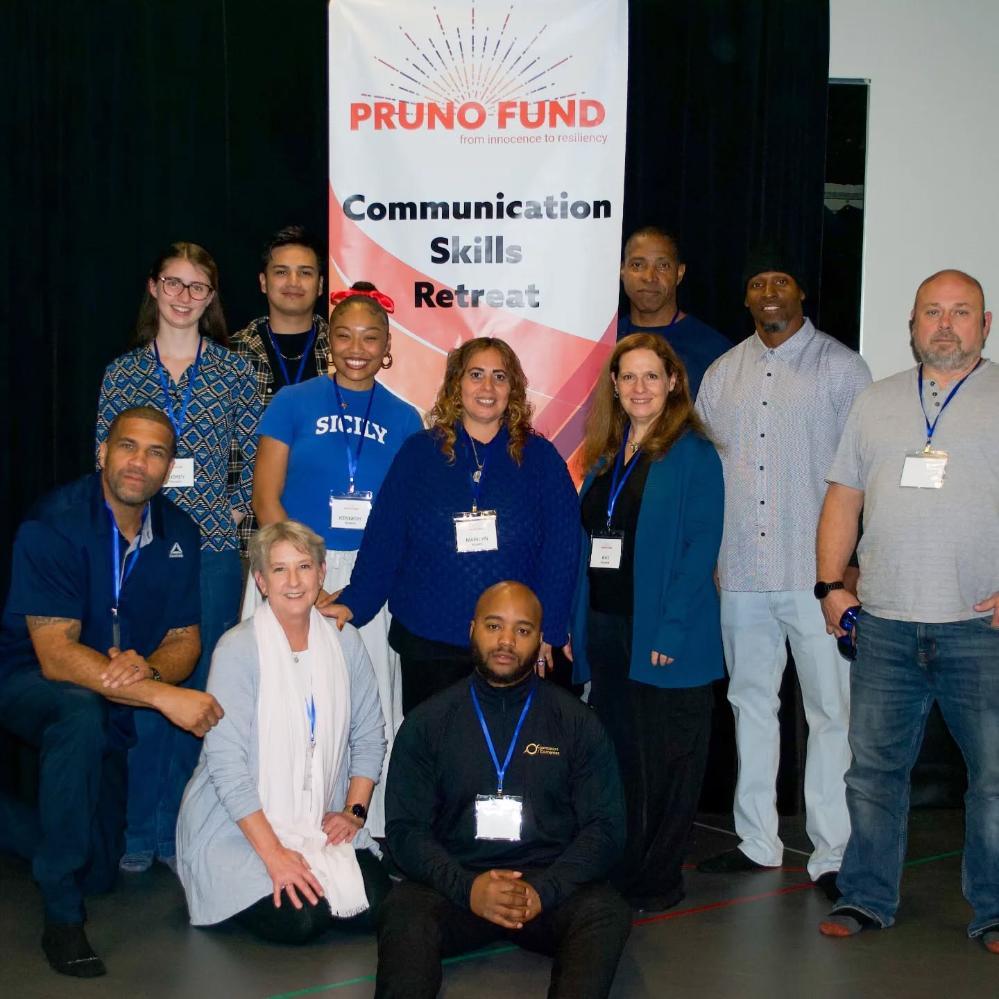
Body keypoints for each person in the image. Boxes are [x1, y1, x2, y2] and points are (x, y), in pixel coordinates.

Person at [0, 407, 224, 977]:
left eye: (155, 453)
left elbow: (184, 640)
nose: (139, 463)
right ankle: (62, 917)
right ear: (103, 452)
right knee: (77, 713)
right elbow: (54, 654)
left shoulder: (180, 533)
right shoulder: (53, 523)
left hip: (114, 688)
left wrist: (146, 670)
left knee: (101, 869)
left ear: (168, 466)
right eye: (129, 447)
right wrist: (159, 695)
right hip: (31, 680)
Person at [816, 269, 999, 952]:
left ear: (984, 324)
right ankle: (865, 896)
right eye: (931, 312)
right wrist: (829, 584)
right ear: (911, 323)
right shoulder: (874, 401)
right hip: (885, 625)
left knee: (993, 781)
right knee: (872, 772)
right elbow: (841, 497)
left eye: (960, 312)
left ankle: (993, 908)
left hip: (980, 627)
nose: (944, 325)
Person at [694, 250, 871, 898]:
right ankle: (756, 841)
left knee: (829, 712)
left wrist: (851, 561)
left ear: (801, 293)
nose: (768, 292)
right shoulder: (720, 373)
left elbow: (863, 468)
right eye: (757, 283)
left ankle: (833, 852)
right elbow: (709, 471)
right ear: (746, 298)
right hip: (739, 570)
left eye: (781, 282)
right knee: (749, 706)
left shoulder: (841, 368)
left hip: (814, 572)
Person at [375, 581, 631, 999]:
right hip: (456, 883)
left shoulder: (576, 722)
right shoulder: (428, 723)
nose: (507, 641)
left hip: (547, 887)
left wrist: (544, 891)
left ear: (539, 639)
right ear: (472, 629)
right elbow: (405, 830)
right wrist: (466, 888)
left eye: (523, 630)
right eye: (494, 626)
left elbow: (606, 827)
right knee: (403, 912)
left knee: (606, 913)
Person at [95, 241, 262, 871]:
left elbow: (257, 453)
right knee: (146, 678)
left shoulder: (234, 372)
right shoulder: (123, 373)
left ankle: (183, 831)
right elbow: (102, 460)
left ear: (211, 298)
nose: (184, 296)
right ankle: (139, 831)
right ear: (154, 287)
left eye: (197, 287)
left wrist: (237, 510)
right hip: (141, 546)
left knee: (201, 685)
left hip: (215, 548)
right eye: (174, 283)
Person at [323, 337, 580, 713]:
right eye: (476, 375)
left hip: (510, 643)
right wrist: (355, 601)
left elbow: (563, 546)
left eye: (499, 377)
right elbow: (386, 536)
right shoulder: (419, 453)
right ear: (457, 383)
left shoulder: (540, 458)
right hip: (429, 638)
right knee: (434, 758)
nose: (487, 388)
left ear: (514, 388)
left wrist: (548, 626)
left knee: (504, 761)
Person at [249, 282, 423, 835]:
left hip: (369, 574)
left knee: (365, 701)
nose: (357, 347)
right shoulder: (292, 402)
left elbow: (404, 515)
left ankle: (365, 829)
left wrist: (364, 584)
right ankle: (277, 821)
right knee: (284, 697)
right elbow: (265, 496)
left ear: (387, 345)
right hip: (292, 567)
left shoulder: (404, 417)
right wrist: (298, 572)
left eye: (371, 337)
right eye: (344, 334)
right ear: (329, 343)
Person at [177, 520, 389, 944]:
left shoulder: (344, 643)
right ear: (260, 580)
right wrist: (274, 855)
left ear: (322, 573)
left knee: (380, 908)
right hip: (238, 825)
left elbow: (369, 733)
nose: (294, 582)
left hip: (316, 817)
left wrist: (354, 812)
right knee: (303, 922)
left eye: (304, 567)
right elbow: (226, 767)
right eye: (279, 570)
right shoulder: (237, 649)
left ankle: (311, 872)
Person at [570, 333, 724, 912]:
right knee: (620, 760)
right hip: (609, 630)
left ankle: (655, 880)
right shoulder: (608, 453)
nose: (639, 388)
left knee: (666, 765)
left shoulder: (692, 452)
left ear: (673, 382)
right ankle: (622, 865)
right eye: (628, 377)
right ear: (614, 385)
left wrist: (672, 630)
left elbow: (699, 546)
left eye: (651, 377)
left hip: (662, 636)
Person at [229, 225, 332, 557]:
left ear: (320, 285)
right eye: (281, 272)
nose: (292, 282)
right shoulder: (232, 355)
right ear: (263, 281)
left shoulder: (342, 355)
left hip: (325, 528)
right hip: (247, 535)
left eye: (305, 273)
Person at [617, 226, 731, 395]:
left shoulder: (715, 352)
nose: (649, 277)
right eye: (637, 265)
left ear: (679, 273)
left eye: (662, 266)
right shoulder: (603, 344)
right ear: (622, 270)